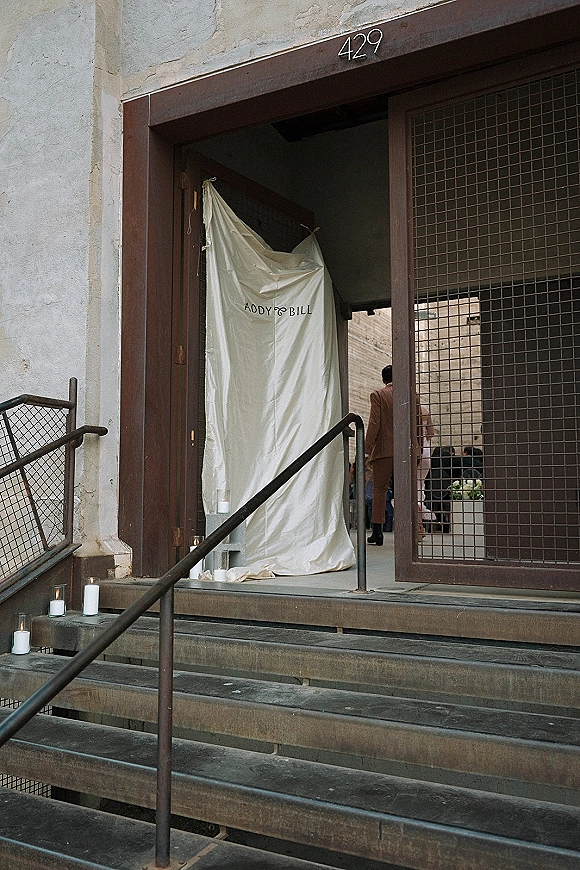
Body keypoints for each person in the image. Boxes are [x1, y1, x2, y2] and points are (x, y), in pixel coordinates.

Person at [364, 365, 421, 545]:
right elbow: (417, 425)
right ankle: (410, 531)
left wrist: (367, 447)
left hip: (384, 451)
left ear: (383, 379)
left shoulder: (378, 395)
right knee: (405, 491)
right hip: (406, 450)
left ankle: (378, 532)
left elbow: (374, 423)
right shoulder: (412, 396)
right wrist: (417, 449)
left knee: (379, 490)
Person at [418, 404, 436, 524]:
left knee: (413, 485)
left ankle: (418, 523)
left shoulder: (407, 409)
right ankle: (420, 524)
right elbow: (431, 433)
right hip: (426, 449)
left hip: (414, 449)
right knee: (421, 484)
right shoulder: (425, 409)